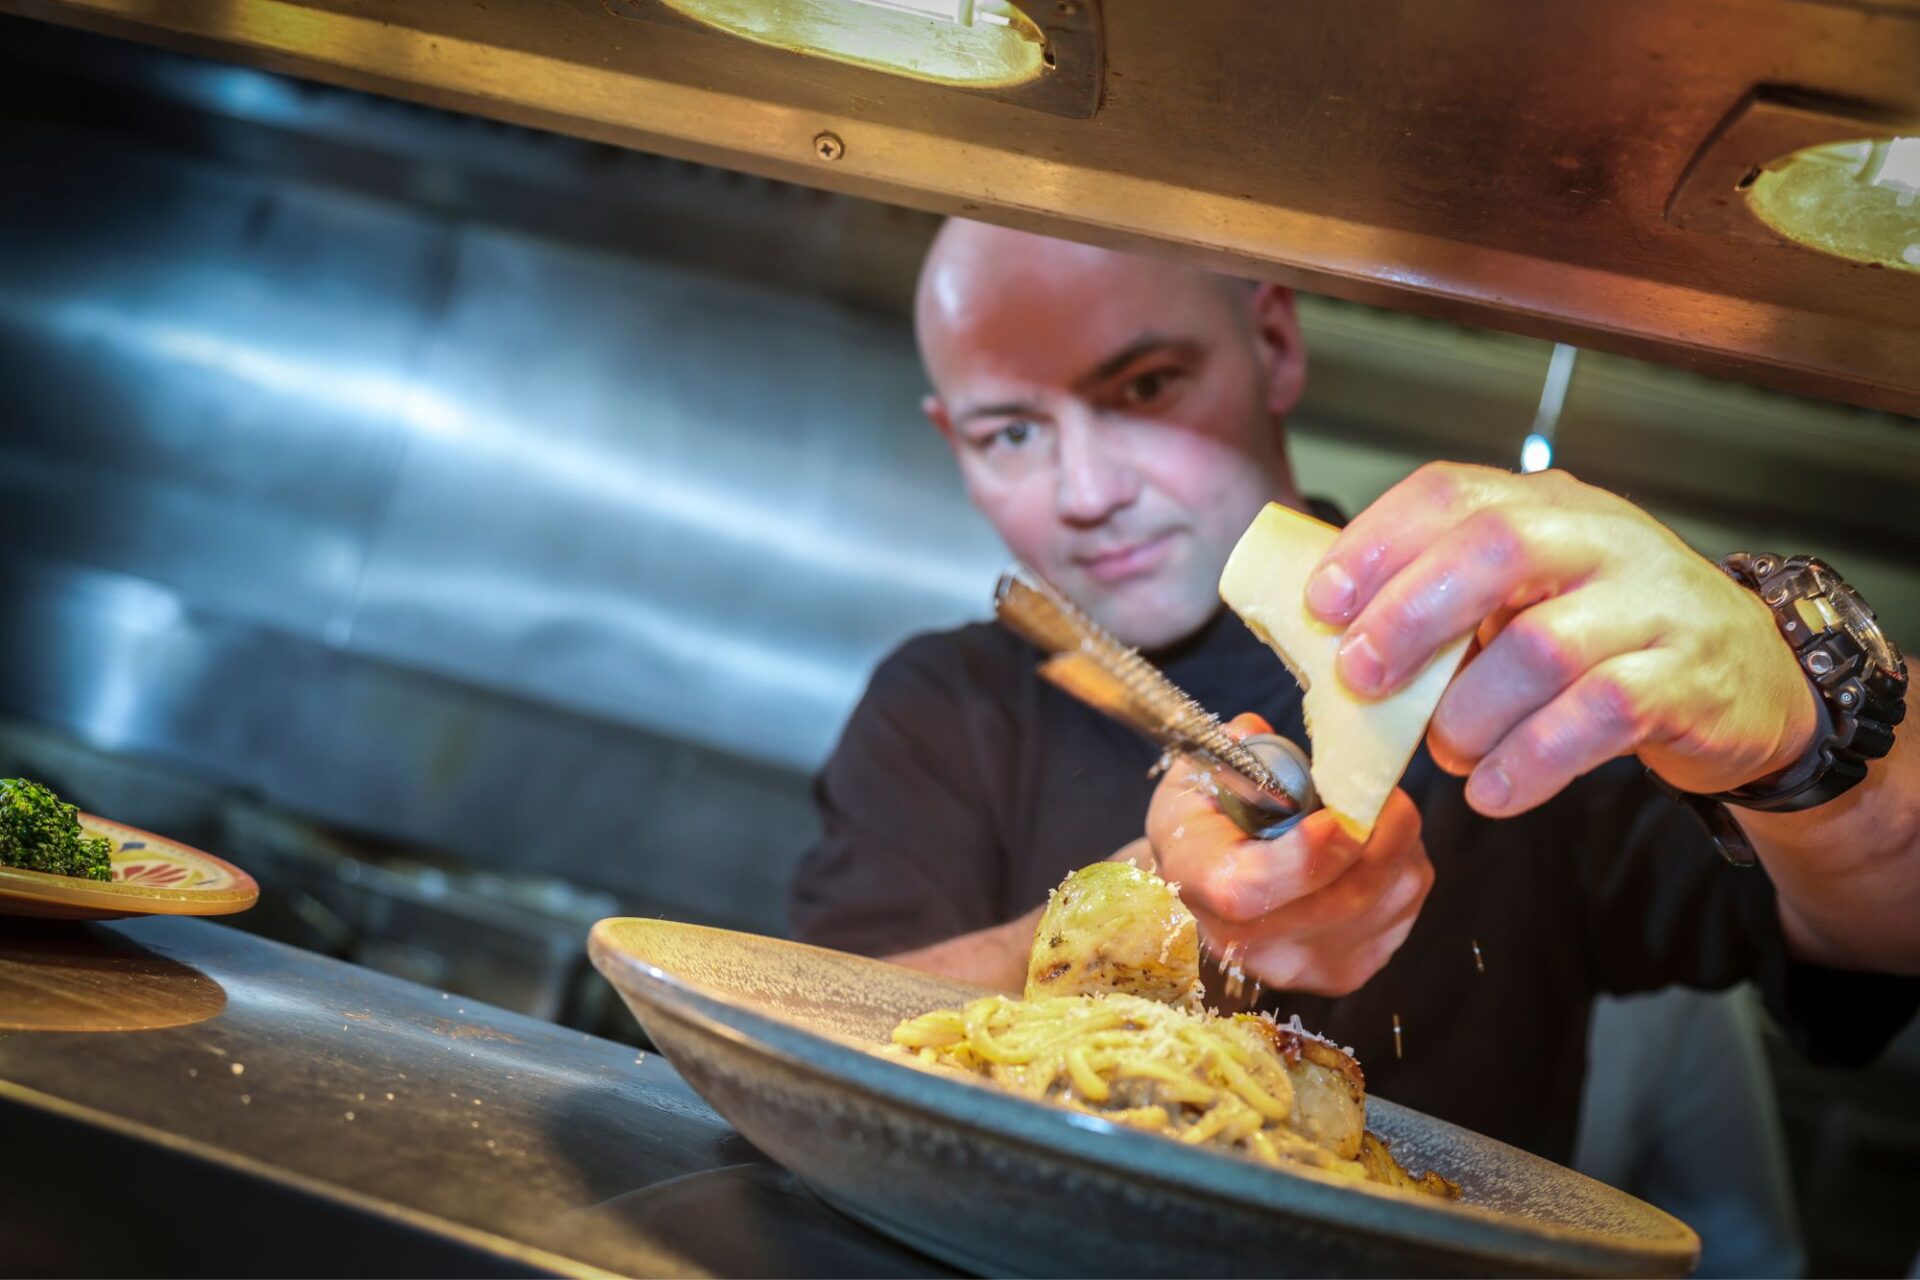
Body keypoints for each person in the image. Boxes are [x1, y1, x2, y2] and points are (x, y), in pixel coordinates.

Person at [790, 219, 1920, 1167]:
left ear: (1273, 340)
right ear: (951, 439)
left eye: (1144, 386)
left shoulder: (1512, 655)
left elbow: (1884, 931)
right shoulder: (938, 706)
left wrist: (1797, 712)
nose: (1084, 491)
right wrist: (1148, 898)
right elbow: (808, 1055)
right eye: (1012, 431)